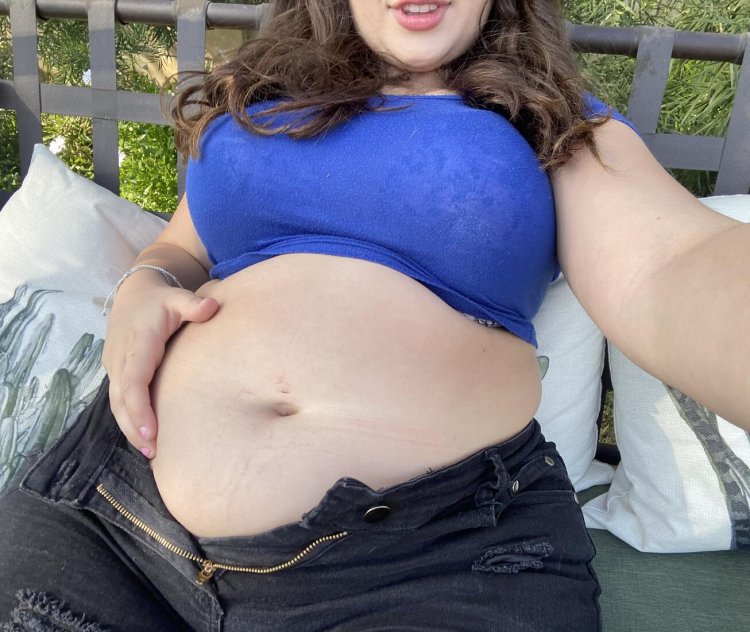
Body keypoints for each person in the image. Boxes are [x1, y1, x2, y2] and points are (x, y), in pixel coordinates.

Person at [1, 0, 748, 630]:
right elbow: (184, 246)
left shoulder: (547, 120)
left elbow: (666, 265)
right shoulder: (263, 97)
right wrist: (145, 280)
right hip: (110, 510)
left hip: (431, 560)